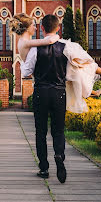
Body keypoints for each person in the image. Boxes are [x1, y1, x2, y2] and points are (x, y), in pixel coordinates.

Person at [19, 14, 69, 183]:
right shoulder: (66, 47)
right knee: (58, 130)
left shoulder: (35, 49)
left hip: (41, 92)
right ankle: (59, 155)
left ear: (42, 28)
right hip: (59, 93)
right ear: (58, 28)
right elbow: (72, 71)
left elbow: (26, 73)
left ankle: (44, 168)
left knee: (40, 131)